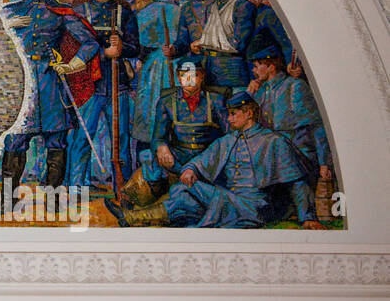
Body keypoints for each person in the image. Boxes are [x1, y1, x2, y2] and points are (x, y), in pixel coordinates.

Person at [107, 92, 321, 229]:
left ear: (248, 113)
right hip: (228, 200)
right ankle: (131, 218)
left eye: (234, 114)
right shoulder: (228, 140)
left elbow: (297, 183)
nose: (229, 119)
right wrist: (191, 168)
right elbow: (203, 159)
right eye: (228, 114)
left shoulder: (274, 141)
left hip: (255, 207)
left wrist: (307, 217)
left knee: (188, 192)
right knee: (184, 197)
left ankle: (133, 217)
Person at [0, 0, 99, 199]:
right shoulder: (10, 11)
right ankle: (8, 199)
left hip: (50, 84)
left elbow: (90, 43)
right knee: (15, 139)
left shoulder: (61, 12)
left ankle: (52, 199)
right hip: (21, 83)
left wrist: (73, 65)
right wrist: (6, 26)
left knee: (56, 140)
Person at [121, 54, 227, 208]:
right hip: (179, 157)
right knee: (148, 157)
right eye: (184, 75)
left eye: (194, 75)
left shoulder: (216, 100)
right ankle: (153, 194)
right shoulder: (167, 102)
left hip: (206, 157)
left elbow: (229, 136)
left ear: (202, 76)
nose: (188, 80)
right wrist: (161, 146)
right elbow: (158, 136)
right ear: (178, 77)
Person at [73, 0, 140, 189]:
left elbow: (135, 48)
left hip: (117, 84)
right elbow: (72, 47)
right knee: (83, 138)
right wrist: (104, 53)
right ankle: (76, 188)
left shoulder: (124, 11)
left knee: (120, 140)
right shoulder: (80, 10)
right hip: (89, 85)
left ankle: (123, 190)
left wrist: (121, 48)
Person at [248, 41, 331, 187]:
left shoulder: (295, 87)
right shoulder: (260, 91)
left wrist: (324, 163)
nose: (253, 70)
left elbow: (317, 127)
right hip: (272, 160)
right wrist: (249, 95)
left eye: (257, 66)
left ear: (271, 67)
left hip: (299, 159)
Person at [132, 0, 181, 161]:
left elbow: (141, 42)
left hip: (156, 65)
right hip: (172, 62)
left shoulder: (146, 13)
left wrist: (141, 57)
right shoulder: (178, 9)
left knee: (151, 108)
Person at [186, 0, 255, 88]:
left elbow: (238, 44)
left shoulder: (243, 6)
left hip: (232, 72)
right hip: (211, 69)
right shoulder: (214, 5)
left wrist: (203, 42)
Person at [241, 0, 294, 68]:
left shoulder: (268, 14)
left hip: (265, 65)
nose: (256, 0)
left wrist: (290, 62)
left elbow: (285, 43)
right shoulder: (243, 8)